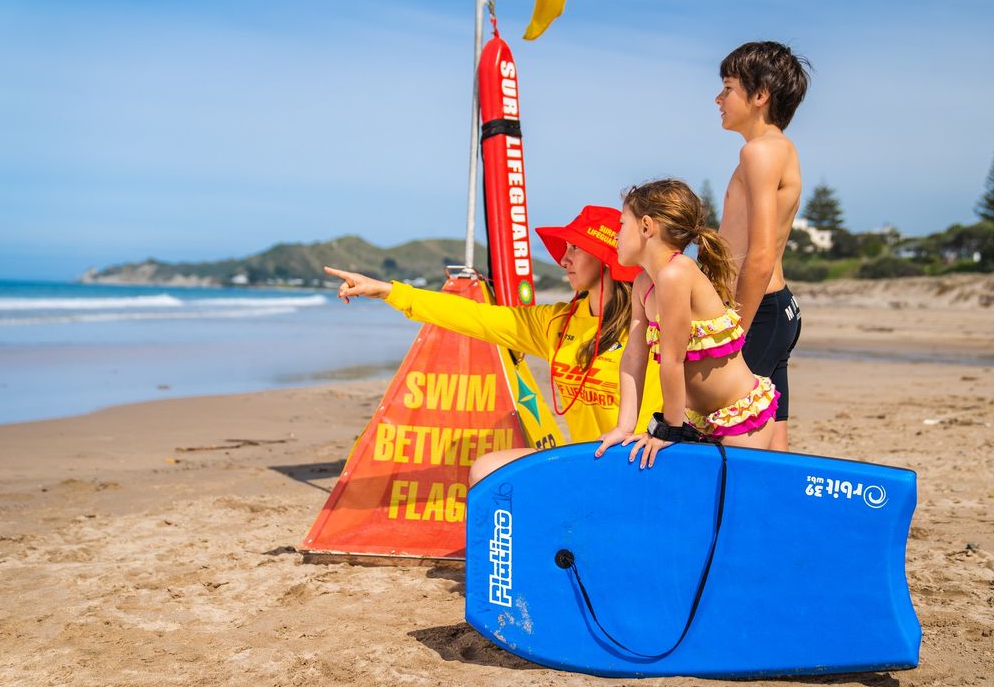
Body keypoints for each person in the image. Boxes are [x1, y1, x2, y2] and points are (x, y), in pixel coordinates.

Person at [324, 205, 662, 486]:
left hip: (640, 463)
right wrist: (388, 291)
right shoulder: (557, 323)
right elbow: (476, 317)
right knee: (486, 471)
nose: (563, 259)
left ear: (605, 257)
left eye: (575, 248)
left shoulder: (650, 320)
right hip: (585, 459)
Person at [596, 179, 779, 468]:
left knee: (731, 505)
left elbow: (673, 359)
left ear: (646, 226)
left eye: (621, 225)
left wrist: (669, 429)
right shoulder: (644, 284)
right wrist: (624, 426)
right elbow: (633, 356)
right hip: (700, 419)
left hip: (741, 417)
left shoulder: (675, 273)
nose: (616, 235)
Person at [715, 41, 811, 452]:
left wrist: (733, 330)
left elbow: (760, 254)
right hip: (776, 310)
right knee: (774, 438)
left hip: (758, 311)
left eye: (728, 88)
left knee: (732, 436)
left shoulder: (760, 153)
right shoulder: (778, 151)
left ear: (759, 96)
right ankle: (780, 516)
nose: (718, 98)